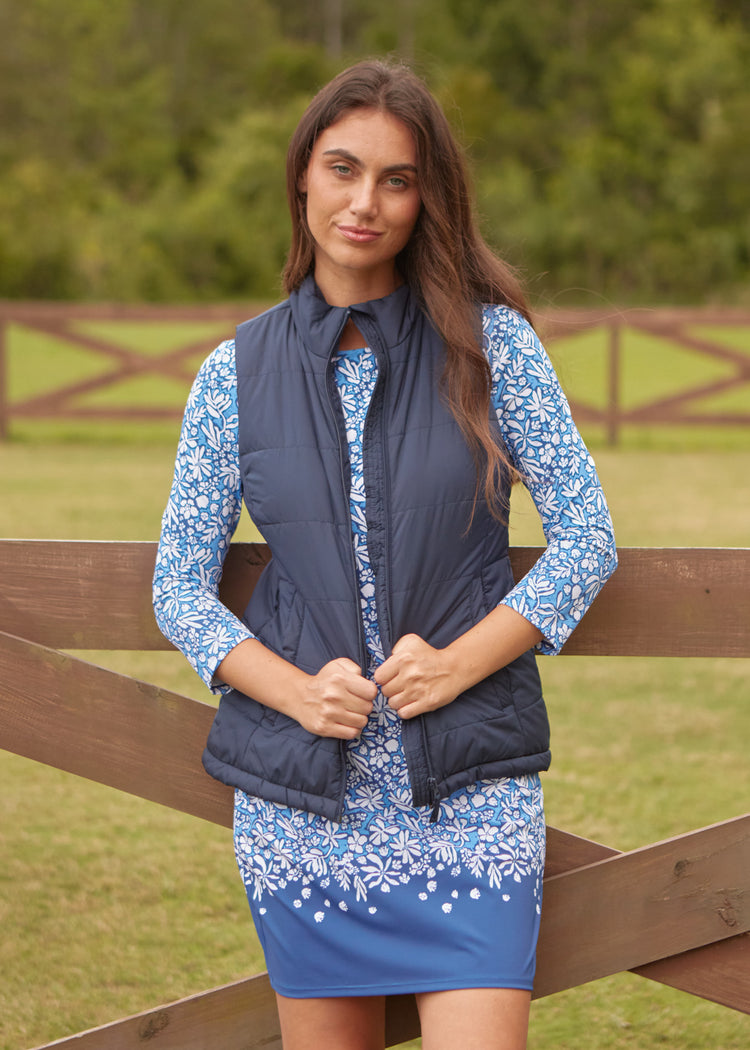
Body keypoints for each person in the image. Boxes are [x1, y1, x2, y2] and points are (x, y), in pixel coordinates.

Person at [153, 59, 617, 1050]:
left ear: (426, 201)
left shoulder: (493, 349)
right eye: (342, 168)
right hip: (301, 808)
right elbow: (178, 589)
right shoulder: (233, 372)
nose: (365, 201)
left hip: (470, 795)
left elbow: (587, 539)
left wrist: (459, 662)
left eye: (396, 180)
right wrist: (291, 691)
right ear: (303, 182)